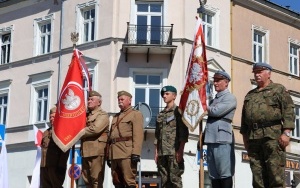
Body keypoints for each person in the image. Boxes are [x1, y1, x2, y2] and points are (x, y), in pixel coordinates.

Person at [240, 62, 295, 188]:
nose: (257, 75)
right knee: (257, 177)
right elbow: (244, 121)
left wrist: (286, 132)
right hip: (254, 139)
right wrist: (245, 141)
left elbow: (288, 110)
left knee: (275, 176)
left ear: (269, 73)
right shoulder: (250, 95)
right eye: (255, 73)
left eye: (260, 72)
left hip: (273, 137)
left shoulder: (278, 89)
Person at [204, 71, 236, 188]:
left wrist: (203, 105)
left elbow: (216, 112)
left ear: (226, 83)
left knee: (224, 173)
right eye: (215, 80)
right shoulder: (213, 101)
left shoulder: (230, 98)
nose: (215, 83)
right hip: (211, 139)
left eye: (218, 81)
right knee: (213, 175)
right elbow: (210, 120)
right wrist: (203, 137)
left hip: (222, 139)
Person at [107, 90, 144, 188]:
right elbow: (111, 137)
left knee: (129, 181)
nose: (120, 101)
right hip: (115, 153)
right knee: (117, 181)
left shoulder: (136, 114)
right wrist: (109, 155)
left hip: (127, 152)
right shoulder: (116, 116)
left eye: (122, 99)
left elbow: (138, 135)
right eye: (119, 99)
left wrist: (136, 153)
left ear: (129, 101)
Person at [154, 85, 189, 188]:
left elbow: (183, 133)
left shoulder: (178, 112)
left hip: (173, 151)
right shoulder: (160, 114)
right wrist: (156, 151)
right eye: (163, 94)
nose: (164, 96)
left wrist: (180, 150)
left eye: (167, 94)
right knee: (164, 181)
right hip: (162, 152)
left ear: (174, 96)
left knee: (175, 180)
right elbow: (157, 135)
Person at [80, 90, 109, 188]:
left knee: (96, 180)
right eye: (88, 99)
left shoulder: (103, 115)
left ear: (99, 102)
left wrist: (78, 133)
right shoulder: (86, 115)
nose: (89, 101)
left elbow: (95, 129)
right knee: (87, 180)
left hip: (96, 151)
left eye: (92, 99)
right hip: (85, 151)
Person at [40, 107, 70, 188]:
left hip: (55, 166)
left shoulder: (63, 131)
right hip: (44, 166)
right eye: (50, 117)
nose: (51, 119)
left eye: (53, 117)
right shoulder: (46, 132)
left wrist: (61, 166)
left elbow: (65, 151)